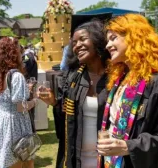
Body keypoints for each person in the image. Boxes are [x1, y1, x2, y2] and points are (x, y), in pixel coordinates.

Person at [97, 14, 158, 168]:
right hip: (111, 161)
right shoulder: (119, 80)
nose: (107, 45)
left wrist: (128, 147)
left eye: (113, 38)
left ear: (133, 38)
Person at [38, 13, 112, 168]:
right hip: (76, 158)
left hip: (109, 160)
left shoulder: (117, 79)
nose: (77, 45)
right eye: (74, 42)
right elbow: (65, 117)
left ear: (98, 39)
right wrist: (54, 102)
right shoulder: (72, 78)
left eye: (83, 39)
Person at [0, 37, 37, 168]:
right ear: (13, 53)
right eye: (18, 49)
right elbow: (21, 107)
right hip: (16, 122)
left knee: (6, 160)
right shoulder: (16, 76)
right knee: (22, 160)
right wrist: (34, 101)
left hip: (0, 119)